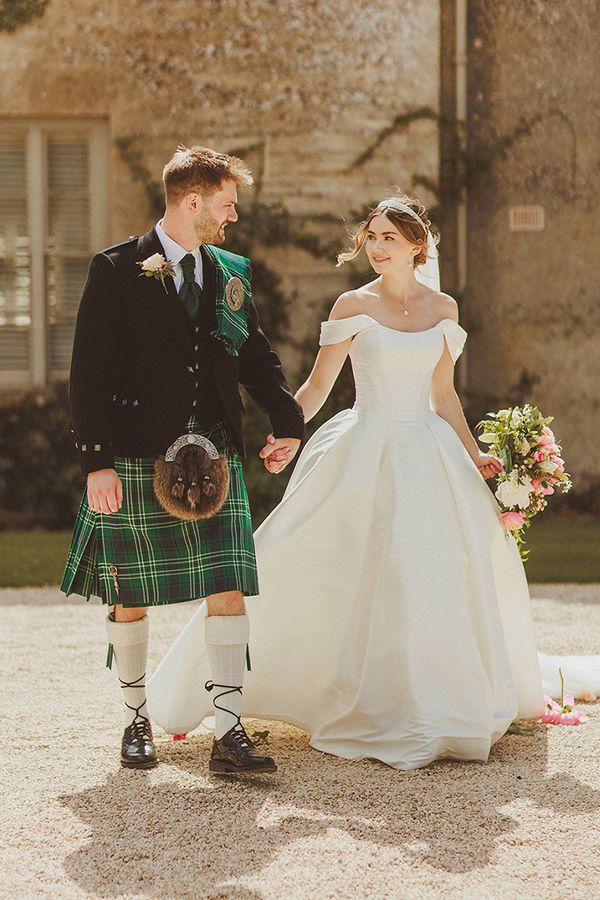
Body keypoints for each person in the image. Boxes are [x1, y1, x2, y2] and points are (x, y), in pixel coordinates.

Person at [147, 194, 549, 771]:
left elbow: (444, 395)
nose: (376, 247)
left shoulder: (445, 309)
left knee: (430, 575)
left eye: (389, 237)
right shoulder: (352, 304)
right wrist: (288, 431)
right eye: (372, 236)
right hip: (364, 448)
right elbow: (314, 387)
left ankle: (430, 698)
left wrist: (474, 453)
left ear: (417, 244)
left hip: (428, 453)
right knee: (309, 558)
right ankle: (235, 688)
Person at [61, 145, 304, 773]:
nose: (232, 218)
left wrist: (289, 423)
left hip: (215, 454)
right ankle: (135, 720)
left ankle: (228, 732)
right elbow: (88, 371)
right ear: (192, 202)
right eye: (226, 205)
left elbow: (256, 356)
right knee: (132, 591)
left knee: (227, 585)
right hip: (139, 454)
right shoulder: (116, 269)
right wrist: (97, 462)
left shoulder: (228, 271)